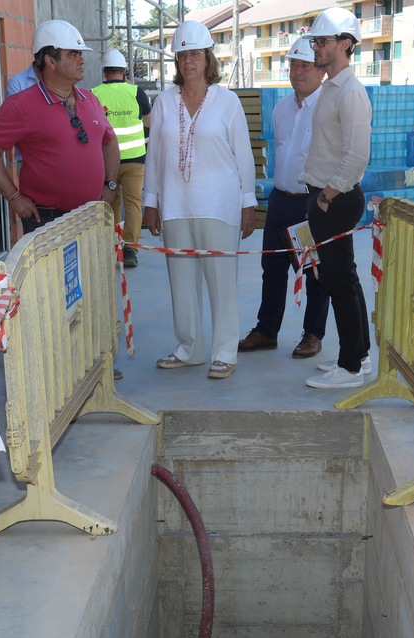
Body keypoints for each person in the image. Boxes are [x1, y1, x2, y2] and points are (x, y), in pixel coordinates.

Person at [142, 20, 256, 381]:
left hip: (220, 206)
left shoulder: (228, 101)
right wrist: (151, 201)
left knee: (221, 282)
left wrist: (248, 202)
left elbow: (244, 156)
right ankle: (189, 348)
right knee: (182, 280)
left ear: (208, 58)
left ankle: (225, 352)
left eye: (195, 54)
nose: (188, 61)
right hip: (175, 205)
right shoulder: (163, 102)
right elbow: (154, 158)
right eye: (182, 55)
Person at [0, 20, 119, 235]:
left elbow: (109, 141)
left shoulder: (91, 99)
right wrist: (13, 197)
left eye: (80, 54)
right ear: (50, 61)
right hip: (46, 220)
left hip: (91, 215)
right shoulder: (21, 105)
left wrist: (110, 185)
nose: (82, 60)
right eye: (73, 54)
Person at [237, 39, 330, 360]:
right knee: (272, 267)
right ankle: (267, 330)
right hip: (280, 199)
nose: (297, 71)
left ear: (322, 71)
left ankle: (313, 334)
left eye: (305, 65)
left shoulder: (328, 108)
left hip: (311, 203)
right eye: (293, 64)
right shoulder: (281, 108)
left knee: (315, 271)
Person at [298, 8, 373, 389]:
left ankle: (350, 368)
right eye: (315, 41)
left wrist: (325, 195)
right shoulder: (332, 87)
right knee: (345, 278)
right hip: (329, 196)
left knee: (339, 282)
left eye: (322, 41)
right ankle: (358, 355)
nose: (317, 47)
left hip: (335, 197)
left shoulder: (351, 92)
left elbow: (357, 155)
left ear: (345, 44)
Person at [93, 50, 151, 269]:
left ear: (104, 71)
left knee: (112, 204)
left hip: (107, 162)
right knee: (134, 202)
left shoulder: (94, 94)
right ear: (124, 70)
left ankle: (114, 246)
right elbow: (148, 122)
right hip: (135, 159)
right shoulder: (137, 92)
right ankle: (130, 250)